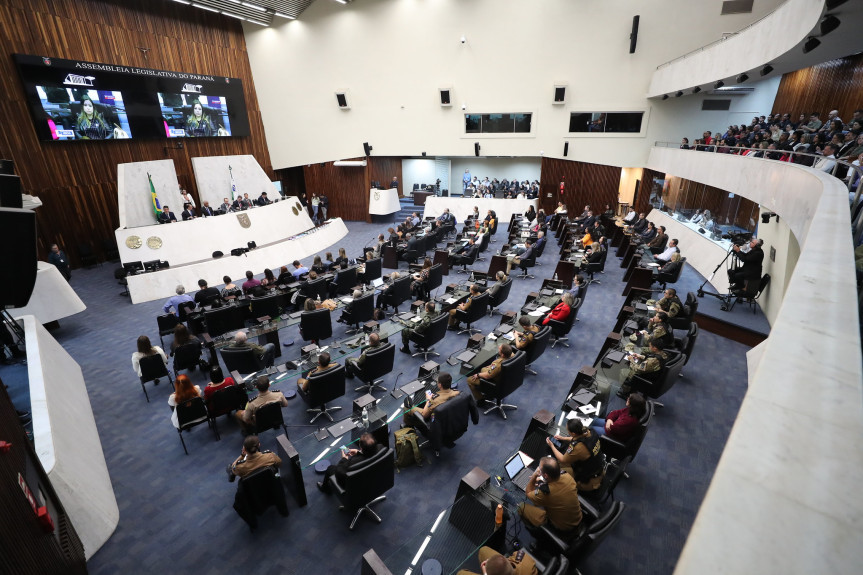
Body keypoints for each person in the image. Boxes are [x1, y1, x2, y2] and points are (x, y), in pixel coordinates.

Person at [517, 456, 582, 533]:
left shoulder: (545, 494)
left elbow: (528, 493)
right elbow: (555, 486)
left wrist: (534, 476)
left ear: (545, 476)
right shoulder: (567, 476)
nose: (538, 470)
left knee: (521, 507)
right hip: (576, 518)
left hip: (563, 527)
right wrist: (542, 482)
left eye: (540, 469)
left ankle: (536, 532)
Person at [546, 419, 605, 492]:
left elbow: (562, 459)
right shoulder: (590, 431)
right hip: (597, 468)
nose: (568, 432)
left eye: (568, 431)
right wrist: (563, 438)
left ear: (573, 433)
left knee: (555, 471)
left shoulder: (578, 447)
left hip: (589, 481)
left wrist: (552, 446)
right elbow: (579, 438)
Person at [456, 547, 537, 575]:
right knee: (483, 550)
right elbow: (515, 555)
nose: (487, 560)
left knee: (460, 573)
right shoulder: (526, 561)